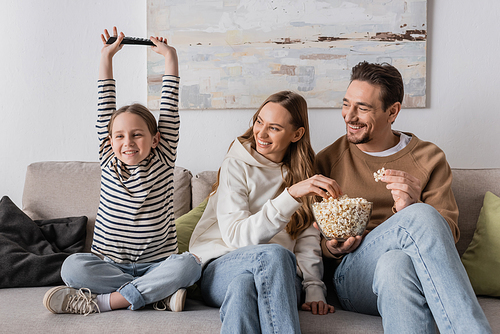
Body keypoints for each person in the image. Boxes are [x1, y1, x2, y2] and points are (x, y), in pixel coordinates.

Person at [315, 61, 492, 333]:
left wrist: (410, 207)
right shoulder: (327, 161)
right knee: (420, 216)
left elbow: (448, 235)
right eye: (346, 104)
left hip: (411, 274)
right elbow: (306, 238)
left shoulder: (429, 158)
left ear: (393, 111)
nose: (349, 116)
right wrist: (331, 248)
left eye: (362, 108)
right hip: (352, 277)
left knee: (395, 263)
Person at [42, 27, 201, 315]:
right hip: (109, 264)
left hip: (158, 263)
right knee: (71, 267)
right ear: (110, 139)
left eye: (137, 135)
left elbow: (169, 107)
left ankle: (110, 301)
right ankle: (155, 295)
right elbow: (105, 104)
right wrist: (107, 57)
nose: (127, 142)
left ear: (155, 139)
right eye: (119, 136)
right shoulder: (107, 158)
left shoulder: (163, 158)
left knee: (189, 265)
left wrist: (170, 58)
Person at [189, 91, 339, 333]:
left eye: (274, 128)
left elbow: (307, 237)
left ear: (297, 134)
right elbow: (237, 237)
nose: (261, 132)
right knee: (275, 254)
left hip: (277, 275)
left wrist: (314, 287)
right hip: (224, 266)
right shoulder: (235, 164)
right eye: (259, 121)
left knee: (242, 290)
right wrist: (290, 196)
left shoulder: (305, 176)